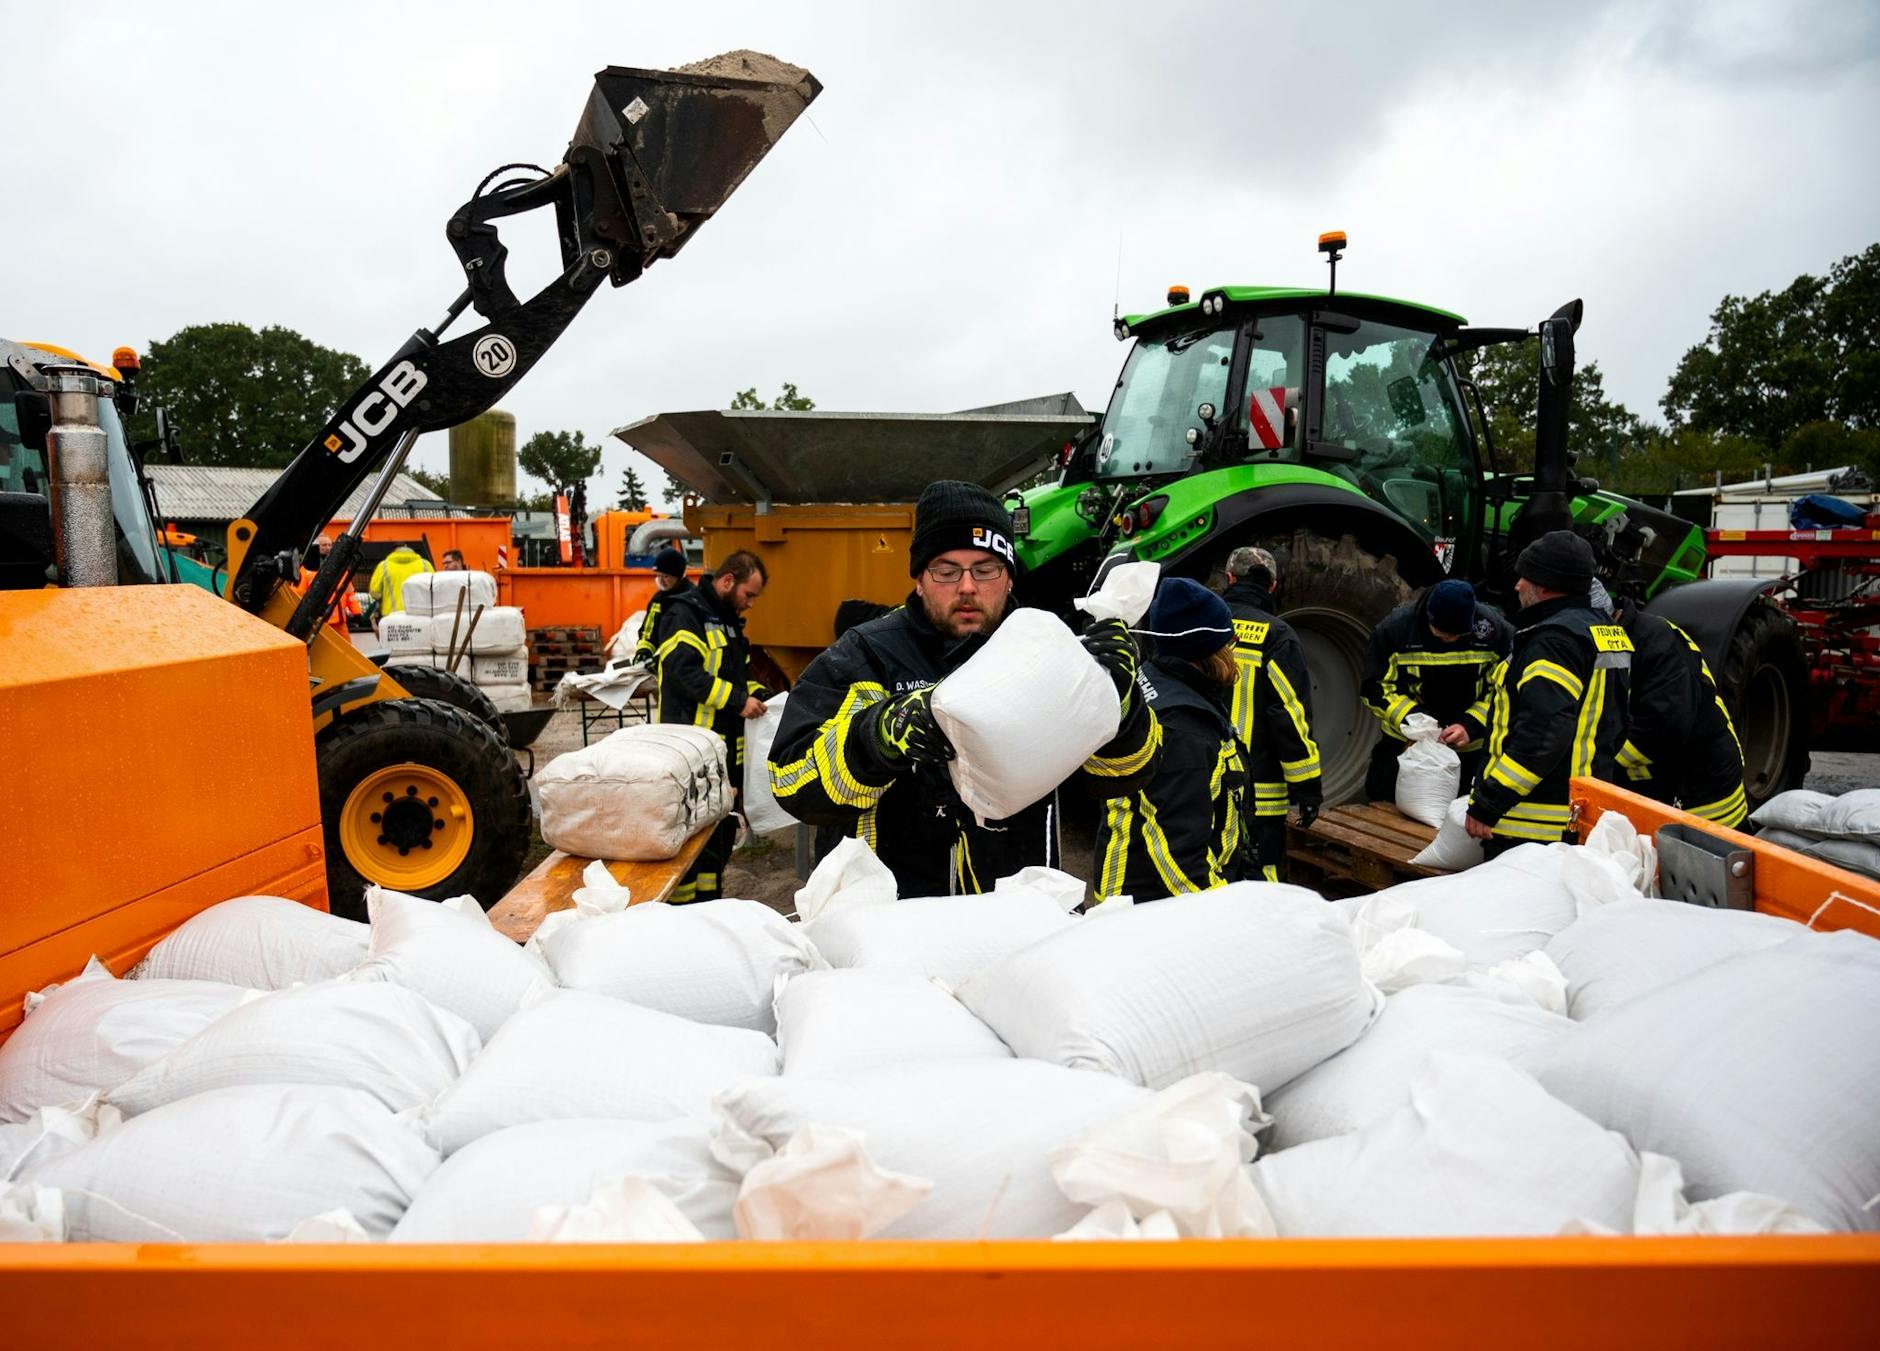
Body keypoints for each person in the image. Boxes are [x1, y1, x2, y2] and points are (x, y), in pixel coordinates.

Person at [767, 480, 1158, 896]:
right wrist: (880, 735)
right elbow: (791, 782)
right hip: (892, 917)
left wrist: (1118, 702)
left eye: (985, 569)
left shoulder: (1048, 654)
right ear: (920, 579)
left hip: (1020, 910)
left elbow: (1122, 778)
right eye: (947, 571)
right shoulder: (866, 655)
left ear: (1009, 578)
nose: (967, 586)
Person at [1465, 531, 1632, 857]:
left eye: (1525, 577)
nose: (1517, 586)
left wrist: (1489, 802)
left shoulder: (1553, 641)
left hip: (1532, 826)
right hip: (1580, 812)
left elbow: (1543, 734)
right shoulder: (1604, 631)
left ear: (1546, 585)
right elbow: (1617, 723)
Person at [1094, 578, 1248, 901]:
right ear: (1208, 649)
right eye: (1229, 642)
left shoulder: (1155, 680)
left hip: (1138, 894)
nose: (1233, 651)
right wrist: (1227, 912)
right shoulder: (1184, 730)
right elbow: (1180, 856)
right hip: (1154, 909)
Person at [655, 550, 769, 902]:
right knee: (691, 842)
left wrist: (762, 696)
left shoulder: (729, 623)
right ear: (728, 580)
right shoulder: (685, 614)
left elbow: (737, 679)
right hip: (691, 754)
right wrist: (738, 701)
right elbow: (683, 672)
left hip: (721, 758)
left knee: (718, 841)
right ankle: (682, 914)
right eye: (749, 594)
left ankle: (707, 908)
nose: (750, 604)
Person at [1360, 578, 1513, 801]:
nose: (1449, 639)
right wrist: (1416, 721)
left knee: (1459, 815)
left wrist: (1470, 726)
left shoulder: (1494, 632)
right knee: (1383, 809)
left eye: (1457, 635)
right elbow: (1375, 689)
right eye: (1442, 632)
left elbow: (1504, 690)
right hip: (1404, 748)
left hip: (1470, 754)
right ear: (1428, 616)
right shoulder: (1395, 631)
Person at [1220, 546, 1321, 881]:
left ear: (1230, 578)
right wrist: (1307, 789)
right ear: (1273, 586)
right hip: (1258, 794)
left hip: (1199, 782)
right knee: (1261, 876)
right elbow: (1289, 717)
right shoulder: (1277, 636)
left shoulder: (1201, 623)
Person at [1611, 595, 1748, 827]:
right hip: (1666, 784)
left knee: (1703, 849)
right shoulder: (1627, 641)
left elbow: (1659, 733)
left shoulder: (1657, 645)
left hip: (1703, 794)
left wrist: (1600, 757)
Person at [633, 547, 693, 666]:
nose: (660, 580)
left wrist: (663, 660)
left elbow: (688, 640)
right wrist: (644, 651)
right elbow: (648, 631)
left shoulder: (692, 600)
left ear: (679, 577)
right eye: (658, 575)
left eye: (665, 576)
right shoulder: (658, 600)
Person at [368, 543, 432, 617]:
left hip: (391, 617)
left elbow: (375, 593)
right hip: (421, 615)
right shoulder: (425, 564)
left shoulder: (383, 566)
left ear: (393, 551)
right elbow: (434, 589)